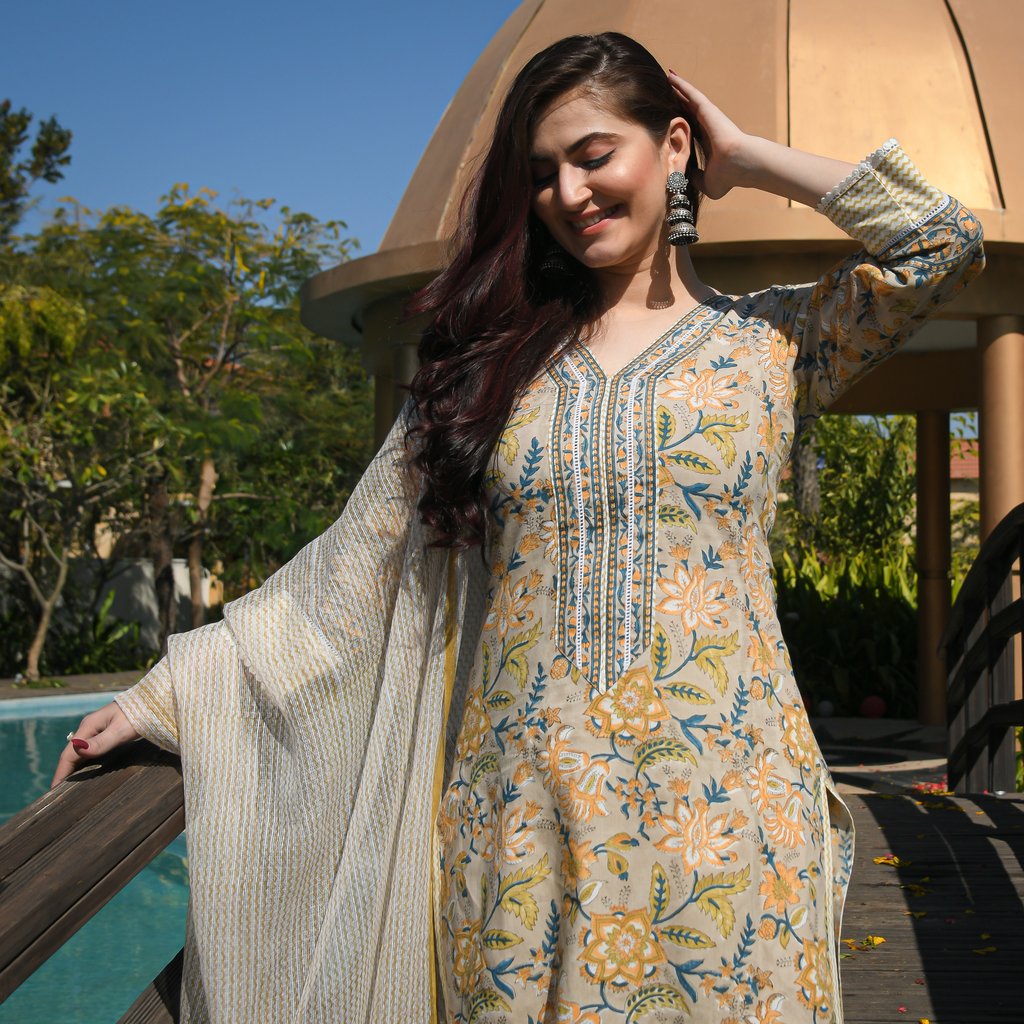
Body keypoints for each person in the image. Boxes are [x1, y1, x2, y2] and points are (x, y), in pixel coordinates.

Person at [51, 31, 984, 1024]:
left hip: (726, 818)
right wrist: (167, 697)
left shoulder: (773, 341)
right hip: (522, 824)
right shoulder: (489, 368)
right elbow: (352, 564)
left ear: (673, 146)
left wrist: (746, 157)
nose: (569, 193)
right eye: (543, 173)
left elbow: (942, 242)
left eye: (594, 155)